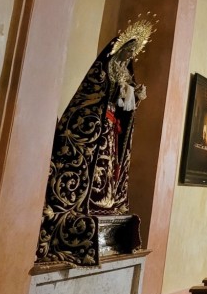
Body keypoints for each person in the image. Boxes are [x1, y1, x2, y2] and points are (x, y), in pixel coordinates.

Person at [37, 18, 153, 266]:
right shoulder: (107, 67)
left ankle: (107, 205)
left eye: (134, 51)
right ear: (120, 47)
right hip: (99, 125)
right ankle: (87, 203)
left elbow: (126, 106)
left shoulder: (126, 71)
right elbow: (96, 93)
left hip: (113, 129)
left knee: (109, 171)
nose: (131, 53)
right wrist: (121, 91)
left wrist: (136, 96)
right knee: (95, 166)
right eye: (128, 49)